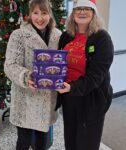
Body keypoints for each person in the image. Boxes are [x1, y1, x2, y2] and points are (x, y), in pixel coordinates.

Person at [55, 0, 114, 150]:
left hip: (91, 100)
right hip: (69, 97)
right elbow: (58, 62)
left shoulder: (102, 38)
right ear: (73, 13)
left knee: (87, 143)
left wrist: (72, 87)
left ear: (93, 13)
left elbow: (96, 76)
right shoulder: (66, 36)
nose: (82, 12)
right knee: (70, 140)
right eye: (78, 9)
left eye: (87, 9)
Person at [4, 0, 61, 149]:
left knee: (42, 140)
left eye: (44, 13)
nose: (40, 18)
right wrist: (25, 76)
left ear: (49, 14)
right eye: (35, 13)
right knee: (24, 140)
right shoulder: (19, 35)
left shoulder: (58, 35)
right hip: (26, 98)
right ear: (29, 14)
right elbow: (9, 65)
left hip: (47, 97)